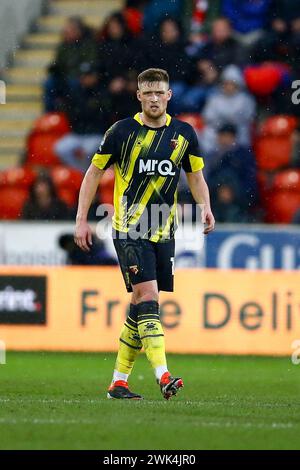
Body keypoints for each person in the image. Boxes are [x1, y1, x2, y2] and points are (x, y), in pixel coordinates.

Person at [74, 68, 215, 400]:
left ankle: (118, 381)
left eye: (159, 92)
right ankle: (163, 375)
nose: (154, 98)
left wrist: (205, 206)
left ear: (169, 96)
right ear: (138, 96)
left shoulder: (184, 134)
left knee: (140, 303)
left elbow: (195, 176)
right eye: (147, 92)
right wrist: (81, 219)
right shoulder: (121, 132)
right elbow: (93, 173)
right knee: (149, 296)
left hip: (164, 230)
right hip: (129, 229)